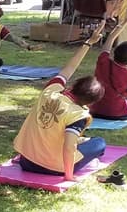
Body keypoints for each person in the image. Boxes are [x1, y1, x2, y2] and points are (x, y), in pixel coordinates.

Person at [12, 27, 109, 179]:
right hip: (53, 168)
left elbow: (69, 68)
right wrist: (68, 176)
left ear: (73, 86)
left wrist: (89, 43)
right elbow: (69, 148)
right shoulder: (78, 114)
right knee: (99, 143)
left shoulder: (51, 90)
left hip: (26, 161)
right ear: (90, 103)